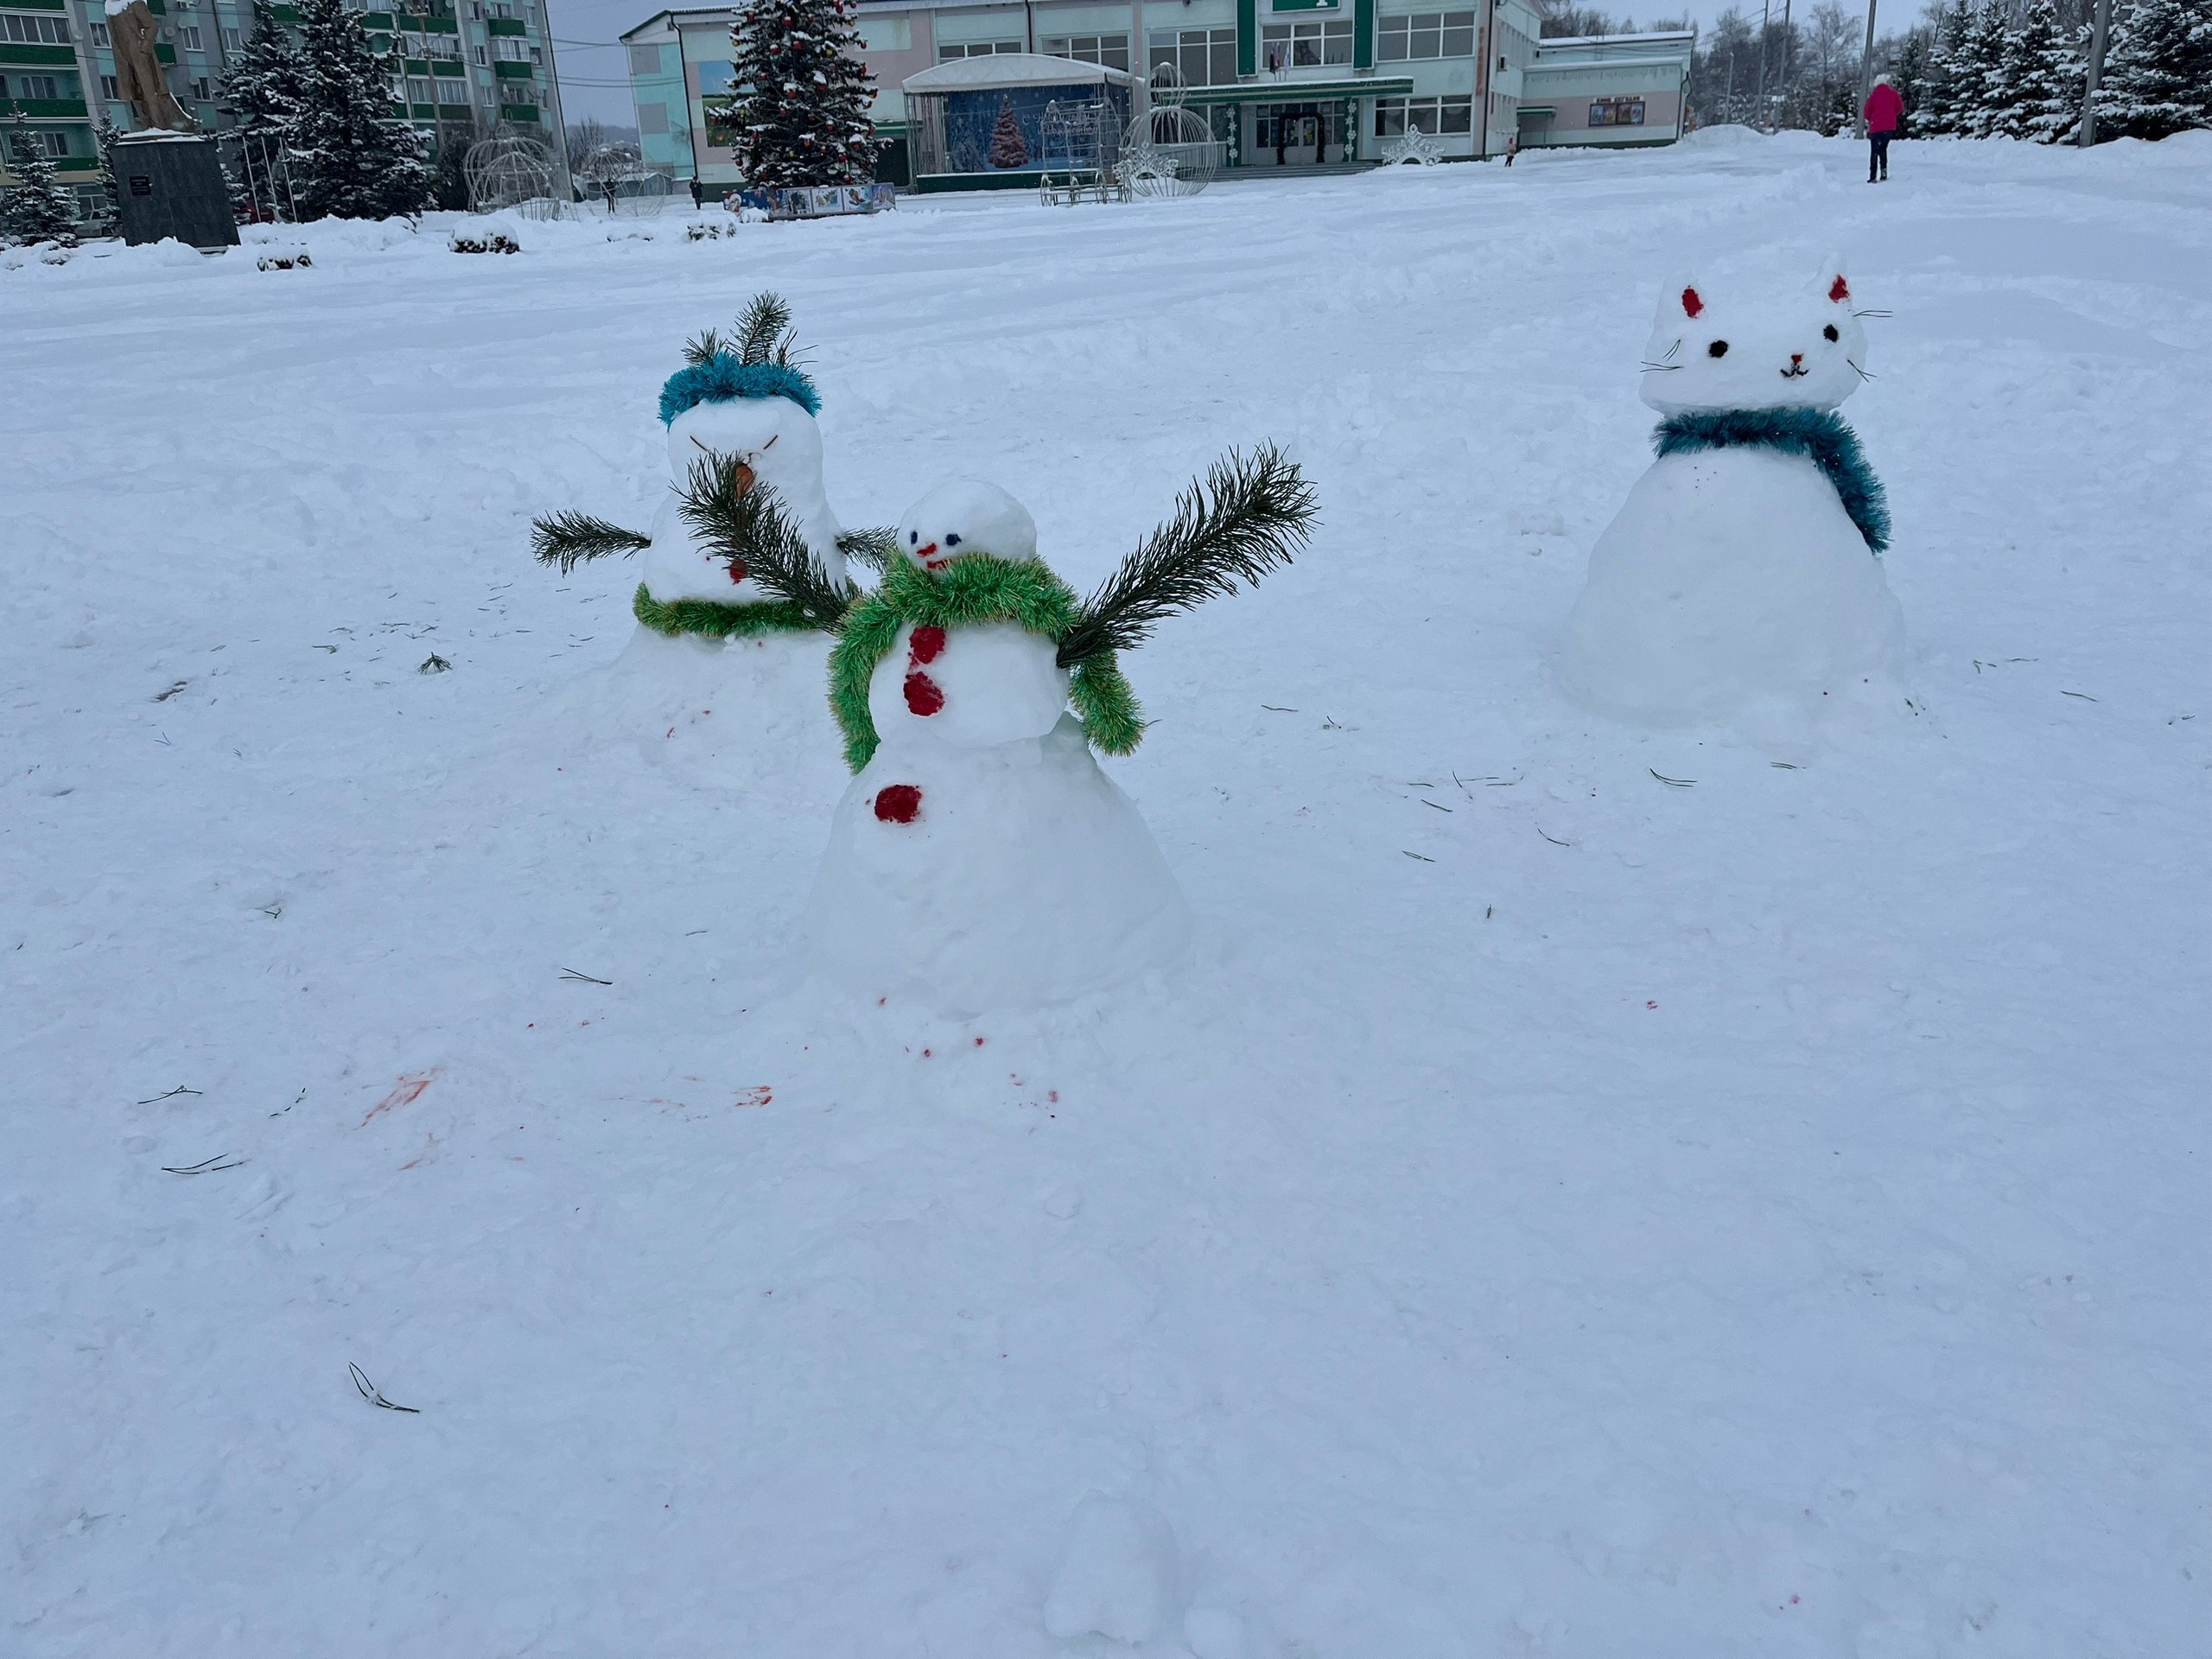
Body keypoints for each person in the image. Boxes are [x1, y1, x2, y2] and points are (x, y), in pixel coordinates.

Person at [1863, 73, 1904, 184]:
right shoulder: (1894, 94)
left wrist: (1873, 118)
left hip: (1876, 128)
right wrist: (1891, 115)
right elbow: (1900, 108)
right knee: (1883, 149)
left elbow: (1866, 113)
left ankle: (1872, 176)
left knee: (1874, 152)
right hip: (1889, 127)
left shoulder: (1873, 97)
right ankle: (1884, 172)